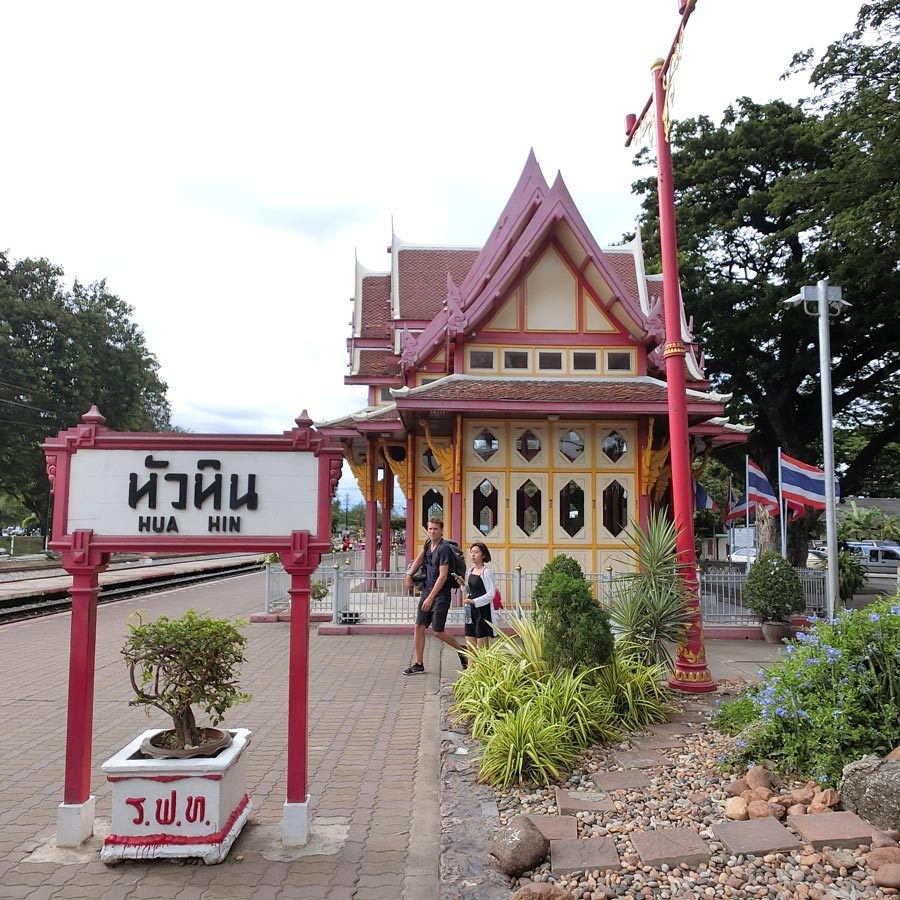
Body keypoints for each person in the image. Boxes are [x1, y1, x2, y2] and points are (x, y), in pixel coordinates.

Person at [402, 517, 468, 675]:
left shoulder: (444, 548)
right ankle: (419, 663)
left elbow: (443, 576)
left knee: (437, 631)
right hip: (427, 591)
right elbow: (420, 558)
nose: (432, 531)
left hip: (440, 595)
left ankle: (462, 651)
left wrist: (431, 597)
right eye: (430, 529)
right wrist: (409, 574)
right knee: (419, 626)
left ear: (441, 530)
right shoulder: (427, 544)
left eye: (435, 529)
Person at [455, 542, 496, 652]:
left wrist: (474, 601)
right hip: (470, 610)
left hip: (482, 612)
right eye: (471, 552)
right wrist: (463, 584)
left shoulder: (486, 572)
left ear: (483, 555)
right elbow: (469, 590)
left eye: (476, 552)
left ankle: (482, 668)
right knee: (470, 645)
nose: (473, 555)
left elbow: (491, 593)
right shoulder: (471, 570)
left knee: (482, 647)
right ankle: (470, 668)